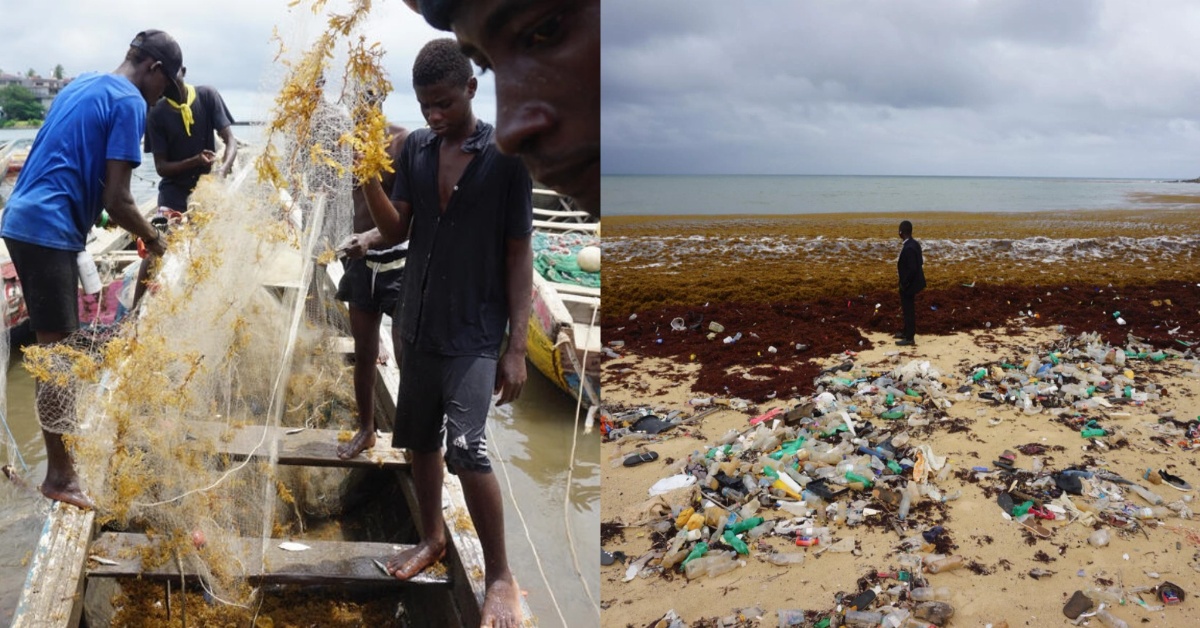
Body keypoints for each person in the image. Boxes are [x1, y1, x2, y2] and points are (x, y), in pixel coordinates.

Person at [360, 39, 532, 628]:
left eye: (444, 103)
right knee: (419, 439)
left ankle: (500, 575)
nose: (434, 115)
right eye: (424, 105)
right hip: (417, 320)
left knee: (468, 448)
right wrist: (369, 181)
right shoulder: (415, 148)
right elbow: (395, 230)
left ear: (470, 90)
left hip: (475, 331)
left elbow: (519, 255)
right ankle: (432, 537)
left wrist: (516, 348)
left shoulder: (505, 158)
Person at [0, 30, 182, 510]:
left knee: (57, 347)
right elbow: (119, 198)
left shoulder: (84, 84)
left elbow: (76, 169)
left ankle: (63, 462)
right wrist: (154, 239)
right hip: (47, 228)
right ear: (154, 69)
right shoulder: (130, 102)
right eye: (165, 88)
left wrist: (109, 218)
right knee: (56, 356)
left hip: (24, 219)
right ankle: (60, 477)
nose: (160, 98)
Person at [404, 0, 599, 217]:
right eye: (486, 66)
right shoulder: (415, 147)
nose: (507, 137)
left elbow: (518, 236)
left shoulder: (499, 160)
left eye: (545, 30)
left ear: (471, 88)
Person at [334, 121, 409, 461]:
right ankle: (367, 430)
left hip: (399, 263)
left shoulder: (403, 142)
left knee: (406, 354)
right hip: (361, 265)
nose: (361, 108)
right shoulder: (343, 142)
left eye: (369, 99)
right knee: (364, 351)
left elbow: (407, 219)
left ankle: (413, 435)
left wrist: (369, 238)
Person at [133, 67, 238, 307]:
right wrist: (194, 161)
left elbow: (230, 141)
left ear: (183, 70)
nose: (169, 80)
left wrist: (222, 171)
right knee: (155, 245)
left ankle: (207, 304)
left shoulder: (207, 96)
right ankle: (135, 311)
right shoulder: (156, 113)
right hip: (173, 194)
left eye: (173, 71)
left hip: (205, 192)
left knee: (212, 250)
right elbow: (161, 167)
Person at [896, 220, 926, 346]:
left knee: (908, 310)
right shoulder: (914, 244)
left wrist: (904, 283)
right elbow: (920, 262)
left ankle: (909, 337)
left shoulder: (909, 247)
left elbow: (912, 269)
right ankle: (906, 331)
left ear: (901, 232)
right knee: (906, 308)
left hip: (909, 285)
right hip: (913, 282)